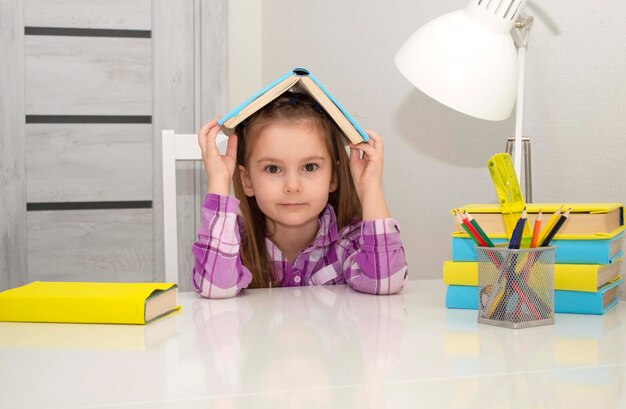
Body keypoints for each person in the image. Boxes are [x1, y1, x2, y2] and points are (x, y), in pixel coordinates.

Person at [192, 91, 407, 298]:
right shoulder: (233, 242)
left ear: (333, 177)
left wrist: (370, 186)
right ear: (247, 181)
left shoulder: (349, 241)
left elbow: (386, 282)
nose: (293, 186)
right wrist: (219, 181)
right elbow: (214, 288)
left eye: (310, 167)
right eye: (273, 169)